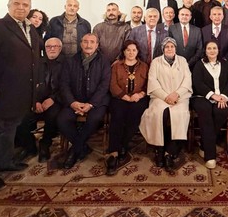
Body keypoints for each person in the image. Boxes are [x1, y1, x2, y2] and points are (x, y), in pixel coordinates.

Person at [0, 0, 41, 191]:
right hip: (1, 92)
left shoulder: (31, 29)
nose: (21, 7)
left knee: (10, 129)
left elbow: (33, 59)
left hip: (21, 92)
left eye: (25, 5)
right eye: (16, 4)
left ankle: (5, 161)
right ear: (8, 6)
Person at [58, 33, 111, 169]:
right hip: (75, 101)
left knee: (94, 119)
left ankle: (75, 150)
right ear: (81, 44)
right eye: (85, 42)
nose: (88, 45)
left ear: (97, 45)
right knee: (62, 120)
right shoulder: (71, 61)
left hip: (96, 102)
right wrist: (72, 103)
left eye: (92, 42)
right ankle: (82, 147)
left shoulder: (104, 61)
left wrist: (91, 104)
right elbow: (64, 84)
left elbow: (104, 85)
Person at [139, 37, 192, 170]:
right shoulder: (156, 62)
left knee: (179, 115)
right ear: (163, 49)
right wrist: (165, 96)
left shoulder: (182, 61)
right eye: (167, 47)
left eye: (172, 46)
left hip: (180, 97)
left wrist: (177, 94)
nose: (169, 49)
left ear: (175, 48)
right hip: (160, 97)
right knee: (159, 114)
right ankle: (159, 149)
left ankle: (170, 152)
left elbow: (187, 80)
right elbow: (152, 81)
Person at [14, 37, 64, 163]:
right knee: (20, 117)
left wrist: (52, 99)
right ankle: (29, 145)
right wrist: (35, 101)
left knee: (53, 115)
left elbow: (67, 87)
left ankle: (45, 144)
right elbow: (28, 84)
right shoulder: (36, 63)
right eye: (48, 46)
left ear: (60, 48)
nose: (52, 49)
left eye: (55, 46)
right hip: (36, 100)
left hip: (56, 100)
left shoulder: (67, 64)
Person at [106, 40, 149, 175]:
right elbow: (112, 85)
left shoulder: (144, 66)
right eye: (128, 50)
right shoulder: (116, 66)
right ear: (124, 52)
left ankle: (123, 145)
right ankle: (113, 151)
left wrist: (140, 94)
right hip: (120, 97)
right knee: (117, 117)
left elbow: (148, 84)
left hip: (138, 98)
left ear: (138, 52)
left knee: (134, 116)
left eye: (134, 50)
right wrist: (124, 96)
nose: (131, 53)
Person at [191, 41, 228, 168]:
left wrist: (223, 97)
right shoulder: (199, 65)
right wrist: (213, 95)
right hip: (202, 97)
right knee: (206, 112)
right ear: (205, 50)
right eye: (209, 48)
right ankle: (210, 156)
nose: (212, 50)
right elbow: (197, 83)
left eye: (214, 48)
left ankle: (204, 145)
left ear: (218, 50)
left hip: (222, 98)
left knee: (221, 111)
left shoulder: (225, 64)